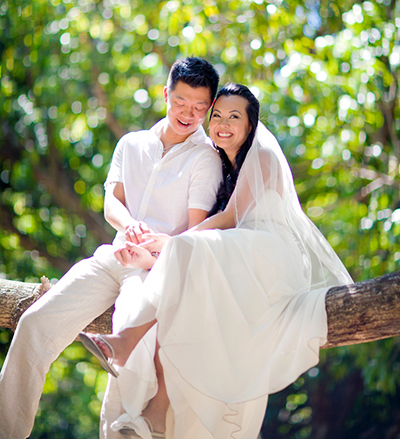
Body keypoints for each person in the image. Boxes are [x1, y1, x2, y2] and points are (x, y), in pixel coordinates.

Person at [81, 83, 353, 439]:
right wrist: (157, 250)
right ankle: (157, 412)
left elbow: (229, 217)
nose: (223, 123)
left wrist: (167, 243)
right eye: (218, 116)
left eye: (234, 117)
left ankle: (125, 343)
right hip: (237, 249)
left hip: (268, 251)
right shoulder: (220, 161)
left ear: (251, 124)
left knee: (186, 251)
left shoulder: (264, 157)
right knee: (184, 288)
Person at [0, 57, 223, 439]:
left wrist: (150, 252)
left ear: (209, 106)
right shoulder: (131, 144)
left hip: (157, 269)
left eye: (200, 107)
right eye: (181, 102)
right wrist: (129, 225)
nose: (189, 113)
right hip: (112, 257)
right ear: (166, 94)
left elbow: (192, 230)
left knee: (129, 348)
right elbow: (111, 204)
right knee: (36, 324)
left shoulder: (206, 158)